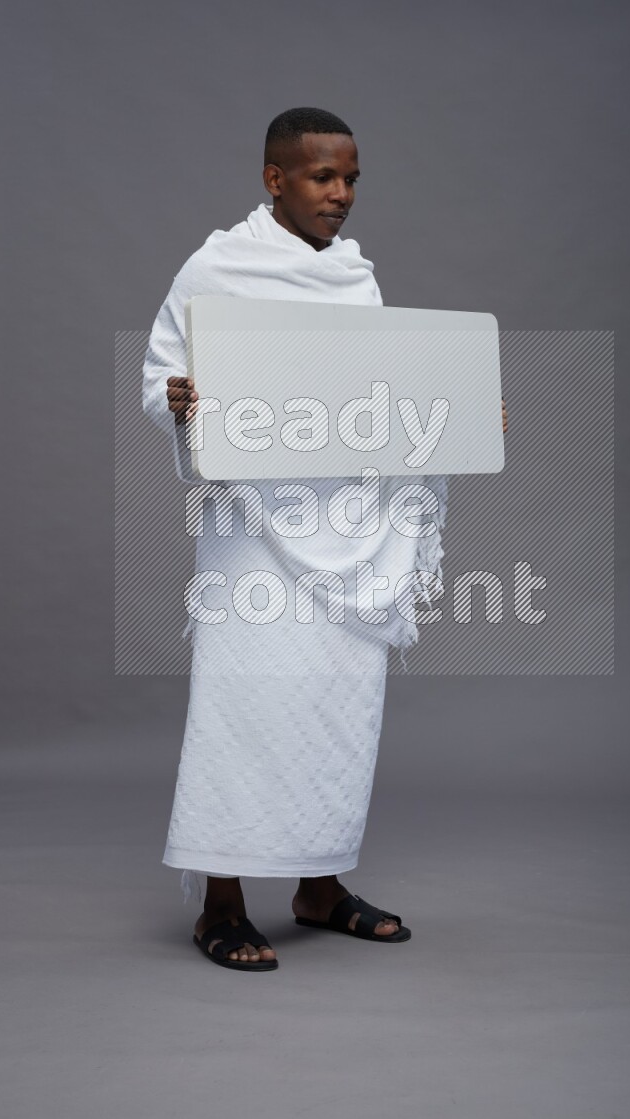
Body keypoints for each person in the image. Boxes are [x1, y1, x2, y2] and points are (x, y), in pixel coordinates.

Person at [142, 107, 508, 972]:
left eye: (350, 179)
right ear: (275, 179)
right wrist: (182, 402)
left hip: (348, 527)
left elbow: (373, 396)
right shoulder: (218, 265)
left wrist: (455, 419)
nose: (341, 195)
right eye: (322, 178)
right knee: (246, 707)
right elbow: (161, 374)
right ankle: (221, 905)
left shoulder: (354, 277)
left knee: (337, 708)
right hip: (253, 532)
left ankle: (318, 886)